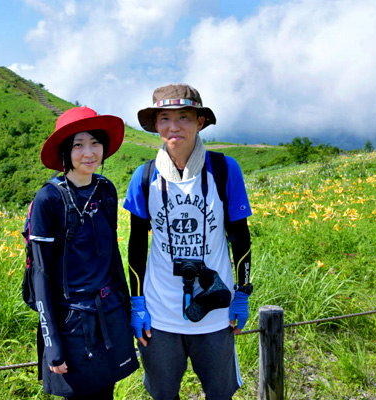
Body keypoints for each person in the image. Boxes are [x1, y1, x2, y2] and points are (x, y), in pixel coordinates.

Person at [123, 84, 253, 400]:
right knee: (163, 395)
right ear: (155, 125)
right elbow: (137, 245)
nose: (174, 126)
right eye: (164, 118)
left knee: (220, 394)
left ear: (200, 122)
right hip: (159, 315)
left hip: (216, 313)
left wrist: (243, 293)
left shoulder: (224, 170)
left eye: (184, 117)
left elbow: (241, 238)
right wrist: (137, 303)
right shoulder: (144, 177)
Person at [28, 107, 139, 399]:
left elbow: (113, 255)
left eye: (95, 143)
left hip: (110, 312)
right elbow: (40, 274)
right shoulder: (48, 198)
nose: (89, 152)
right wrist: (51, 341)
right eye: (78, 144)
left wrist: (129, 312)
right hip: (72, 322)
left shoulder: (106, 190)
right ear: (65, 150)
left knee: (107, 393)